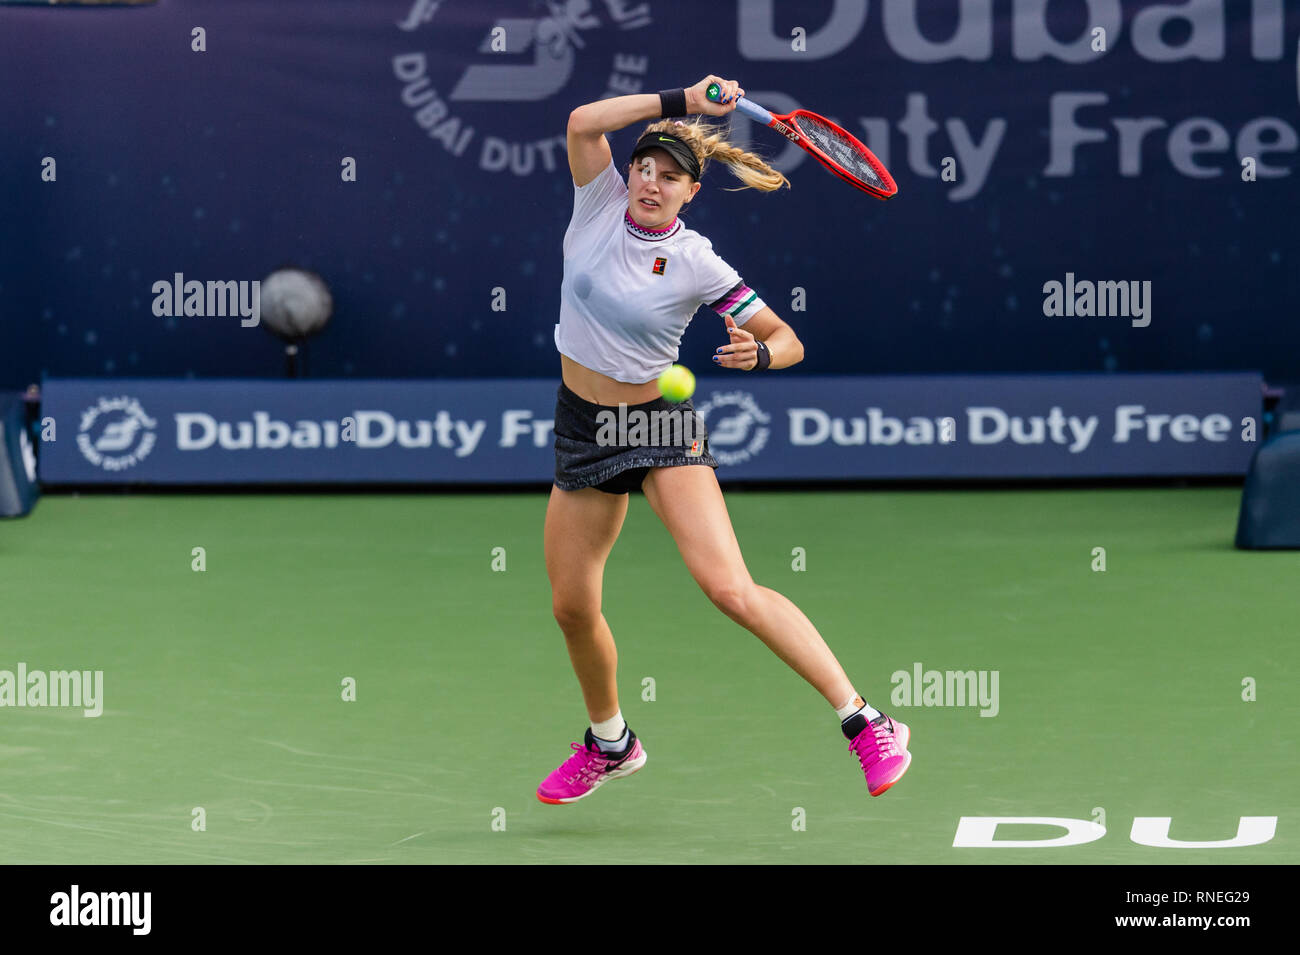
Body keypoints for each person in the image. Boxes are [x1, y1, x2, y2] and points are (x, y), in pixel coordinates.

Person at [537, 75, 912, 804]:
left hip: (657, 425)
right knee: (572, 606)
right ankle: (611, 743)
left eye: (669, 176)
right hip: (583, 425)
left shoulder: (698, 260)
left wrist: (760, 354)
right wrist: (682, 100)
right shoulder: (596, 206)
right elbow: (584, 121)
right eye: (644, 167)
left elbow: (788, 339)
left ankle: (867, 719)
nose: (650, 181)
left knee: (729, 588)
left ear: (690, 193)